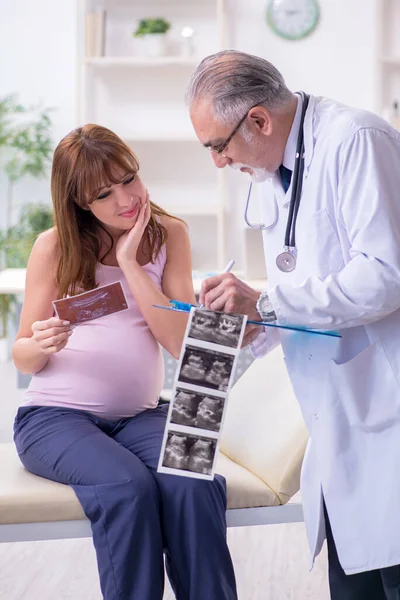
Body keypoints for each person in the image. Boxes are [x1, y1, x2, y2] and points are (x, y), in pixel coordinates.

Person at [186, 49, 400, 599]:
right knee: (354, 581)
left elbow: (385, 276)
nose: (216, 162)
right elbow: (301, 280)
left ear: (258, 119)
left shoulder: (356, 140)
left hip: (386, 405)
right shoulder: (266, 168)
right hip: (335, 421)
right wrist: (253, 325)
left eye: (217, 146)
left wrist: (266, 305)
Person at [12, 124, 237, 600]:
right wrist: (41, 343)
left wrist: (132, 263)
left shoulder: (170, 234)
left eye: (129, 180)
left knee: (195, 479)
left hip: (141, 415)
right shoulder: (53, 246)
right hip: (53, 419)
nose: (125, 199)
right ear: (80, 203)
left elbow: (180, 345)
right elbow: (23, 355)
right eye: (104, 194)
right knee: (127, 486)